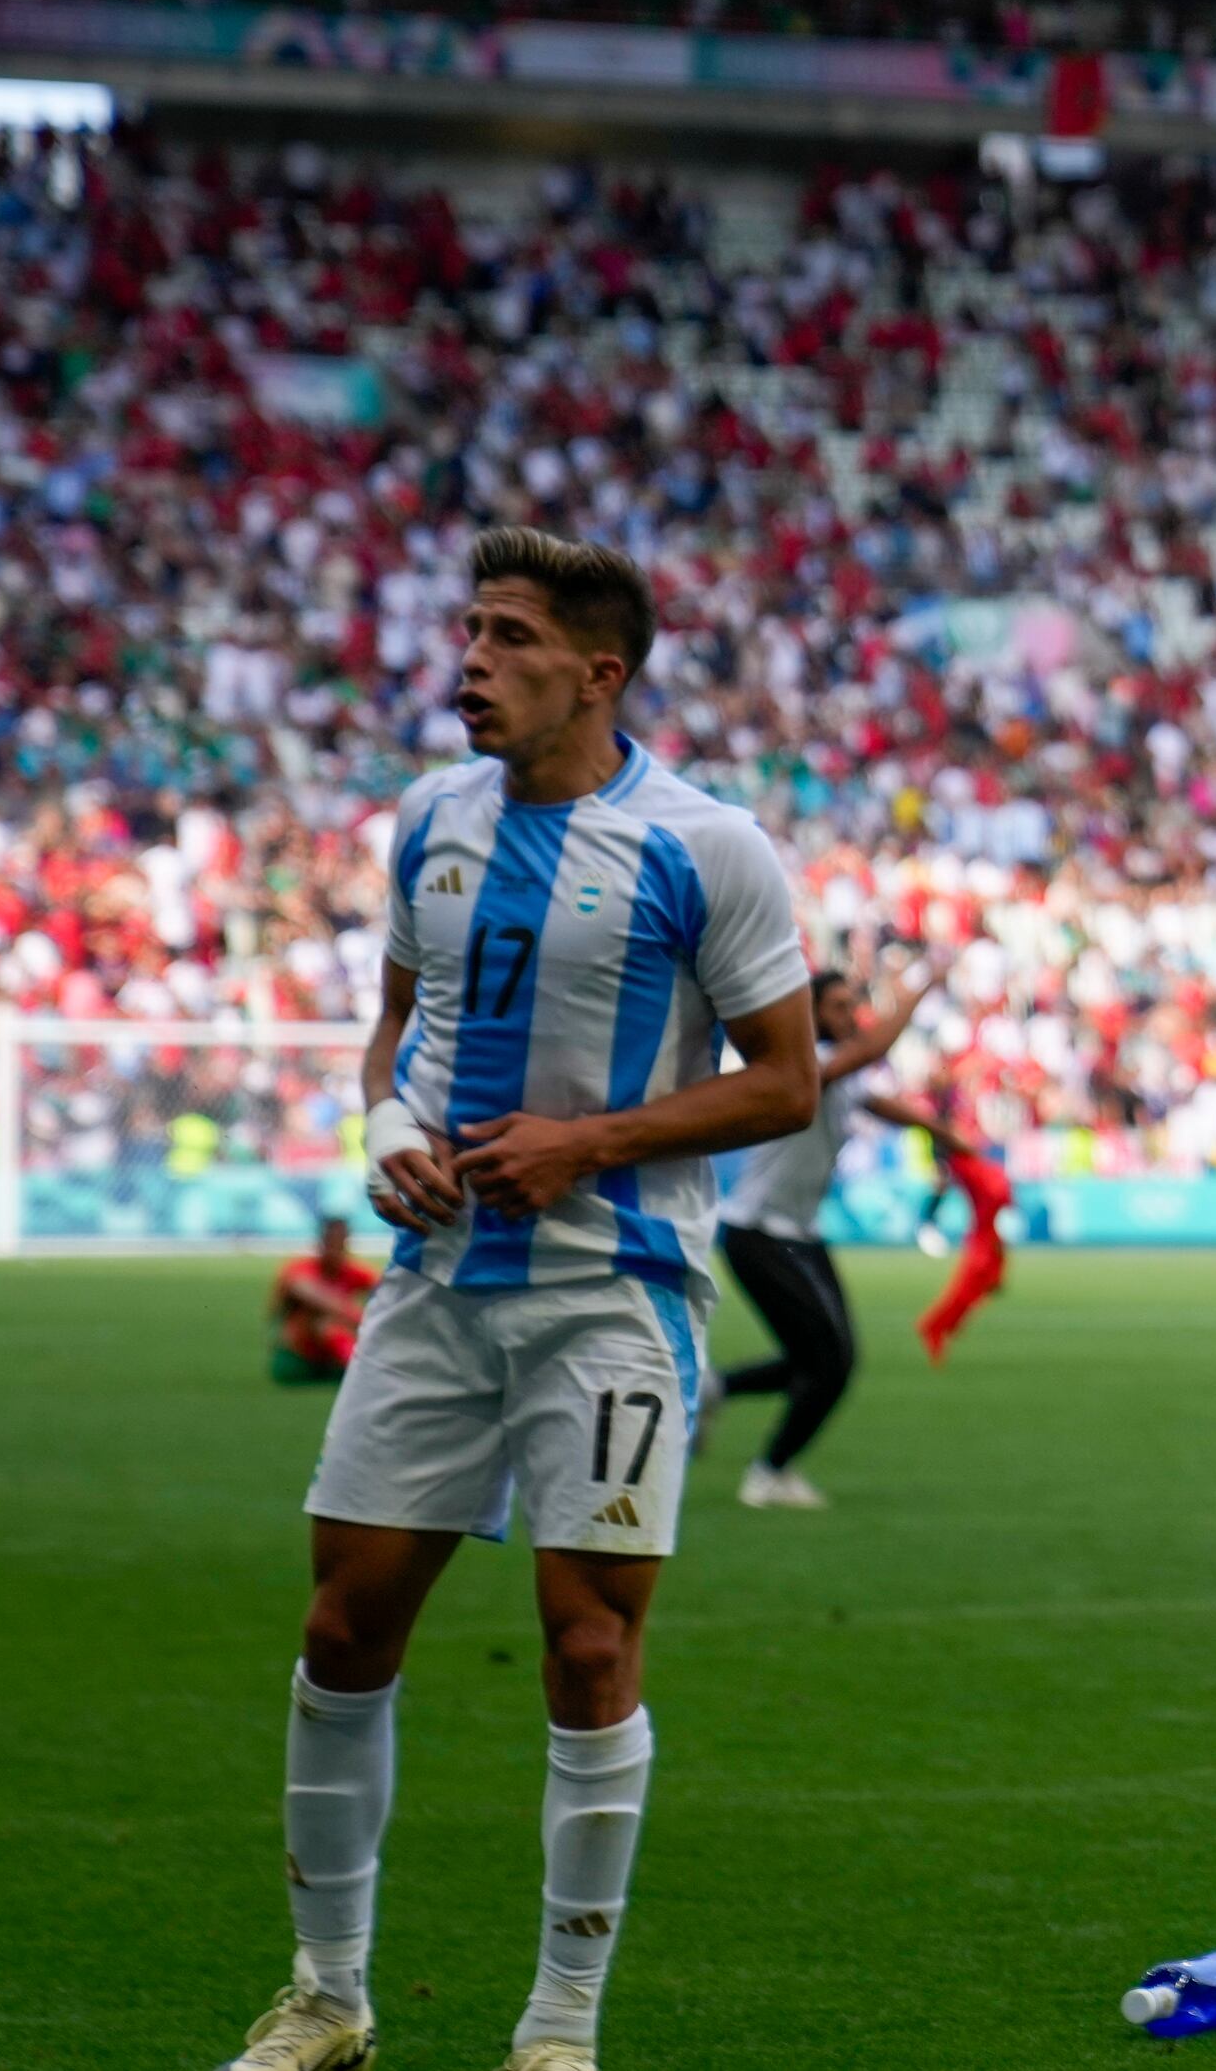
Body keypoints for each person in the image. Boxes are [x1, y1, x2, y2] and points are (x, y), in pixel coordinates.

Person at [223, 526, 815, 2071]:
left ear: (598, 672)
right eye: (469, 629)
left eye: (508, 637)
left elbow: (789, 1082)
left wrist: (594, 1141)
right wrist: (386, 1134)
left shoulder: (707, 844)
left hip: (613, 1294)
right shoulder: (427, 819)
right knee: (345, 1624)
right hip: (432, 1286)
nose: (469, 660)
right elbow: (395, 1029)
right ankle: (328, 2000)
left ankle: (559, 2029)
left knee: (587, 1649)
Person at [711, 944, 929, 1511]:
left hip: (798, 1232)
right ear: (808, 1012)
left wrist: (949, 1139)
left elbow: (876, 1100)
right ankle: (768, 1474)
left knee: (822, 1360)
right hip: (759, 1231)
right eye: (836, 1005)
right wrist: (914, 995)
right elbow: (869, 1053)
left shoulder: (834, 1062)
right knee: (830, 1363)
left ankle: (717, 1390)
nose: (847, 1014)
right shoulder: (803, 1057)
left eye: (852, 1004)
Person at [917, 1108, 1015, 1366]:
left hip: (990, 1234)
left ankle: (943, 1325)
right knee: (968, 1288)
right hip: (984, 1235)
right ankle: (934, 1327)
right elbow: (996, 1196)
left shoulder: (974, 1164)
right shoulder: (965, 1165)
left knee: (980, 1286)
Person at [271, 1213, 377, 1387]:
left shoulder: (353, 1271)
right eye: (331, 1241)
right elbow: (319, 1299)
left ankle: (357, 1367)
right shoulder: (300, 1270)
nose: (336, 1247)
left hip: (333, 1359)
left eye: (341, 1241)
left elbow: (384, 1290)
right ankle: (359, 1369)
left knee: (332, 1323)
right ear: (322, 1241)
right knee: (324, 1321)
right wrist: (365, 1321)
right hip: (299, 1357)